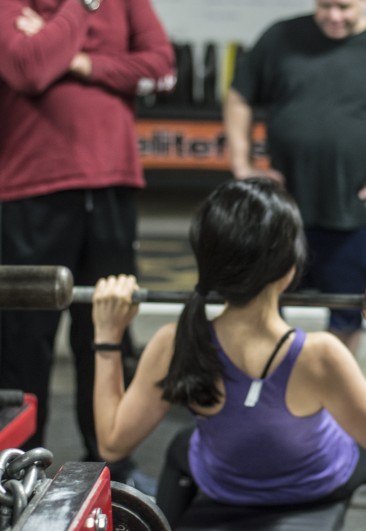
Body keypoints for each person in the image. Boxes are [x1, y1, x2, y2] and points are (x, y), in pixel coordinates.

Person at [91, 178, 366, 528]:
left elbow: (112, 445)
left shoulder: (173, 342)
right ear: (289, 268)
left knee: (182, 446)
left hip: (225, 482)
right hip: (314, 485)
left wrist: (107, 335)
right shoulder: (321, 355)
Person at [0, 0, 175, 493]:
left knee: (106, 332)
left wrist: (73, 58)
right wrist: (80, 10)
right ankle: (17, 470)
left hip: (113, 186)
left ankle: (109, 462)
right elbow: (30, 69)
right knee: (22, 340)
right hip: (31, 192)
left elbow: (161, 65)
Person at [223, 0, 366, 354]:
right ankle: (270, 394)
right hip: (283, 214)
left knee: (346, 316)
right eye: (325, 6)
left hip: (356, 217)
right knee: (262, 309)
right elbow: (239, 96)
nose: (334, 16)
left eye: (344, 7)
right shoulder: (281, 38)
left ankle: (329, 400)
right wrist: (241, 164)